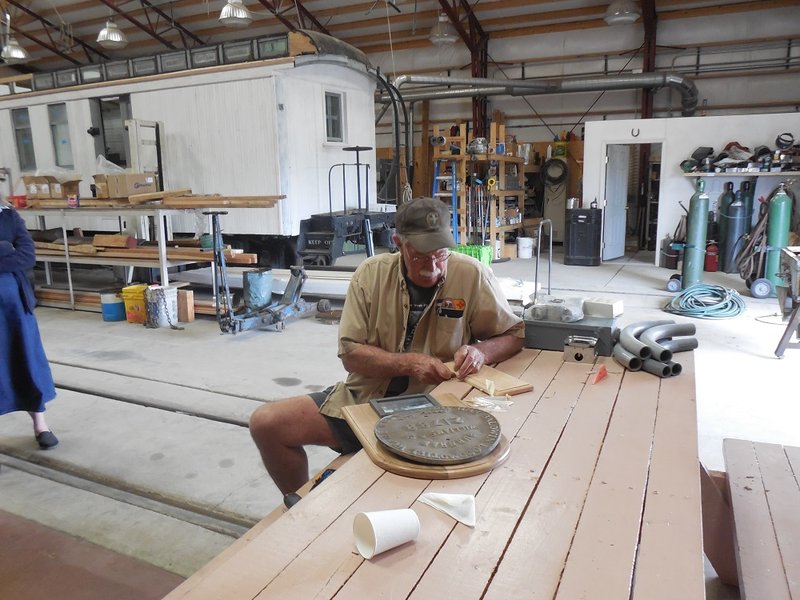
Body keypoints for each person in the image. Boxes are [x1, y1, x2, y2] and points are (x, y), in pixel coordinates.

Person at [250, 197, 524, 503]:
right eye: (420, 256)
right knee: (267, 424)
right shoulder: (371, 274)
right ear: (399, 243)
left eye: (440, 254)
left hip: (436, 413)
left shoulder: (472, 275)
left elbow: (513, 334)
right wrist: (410, 364)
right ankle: (296, 507)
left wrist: (481, 352)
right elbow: (350, 355)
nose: (432, 268)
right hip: (366, 401)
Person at [0, 200, 59, 449]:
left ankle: (40, 425)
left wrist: (7, 250)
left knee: (26, 360)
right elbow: (15, 254)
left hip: (14, 308)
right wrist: (4, 248)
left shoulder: (9, 216)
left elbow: (27, 255)